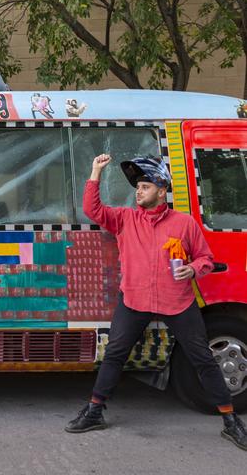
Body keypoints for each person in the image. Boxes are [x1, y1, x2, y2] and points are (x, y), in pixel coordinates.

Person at [65, 154, 247, 451]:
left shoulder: (184, 223)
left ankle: (230, 422)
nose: (138, 191)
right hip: (134, 299)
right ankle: (94, 411)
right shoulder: (125, 218)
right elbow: (92, 209)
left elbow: (205, 259)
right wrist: (95, 171)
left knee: (203, 359)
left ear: (162, 191)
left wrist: (194, 269)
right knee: (114, 355)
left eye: (145, 186)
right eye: (137, 186)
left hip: (177, 301)